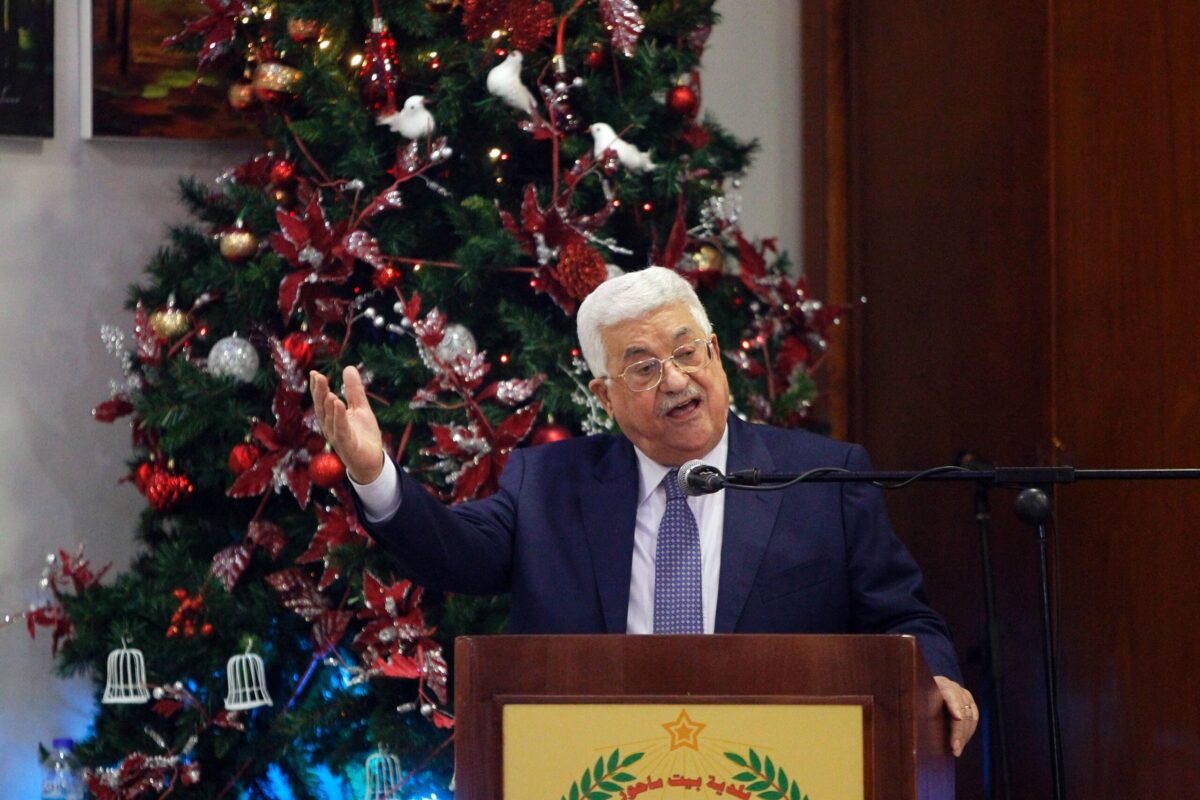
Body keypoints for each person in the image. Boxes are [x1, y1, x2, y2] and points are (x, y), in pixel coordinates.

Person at [310, 267, 978, 756]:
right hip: (599, 768)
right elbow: (455, 552)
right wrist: (374, 474)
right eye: (644, 367)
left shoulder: (820, 478)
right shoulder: (549, 483)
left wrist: (938, 679)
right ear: (604, 394)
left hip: (774, 766)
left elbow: (904, 617)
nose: (677, 381)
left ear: (716, 354)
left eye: (688, 353)